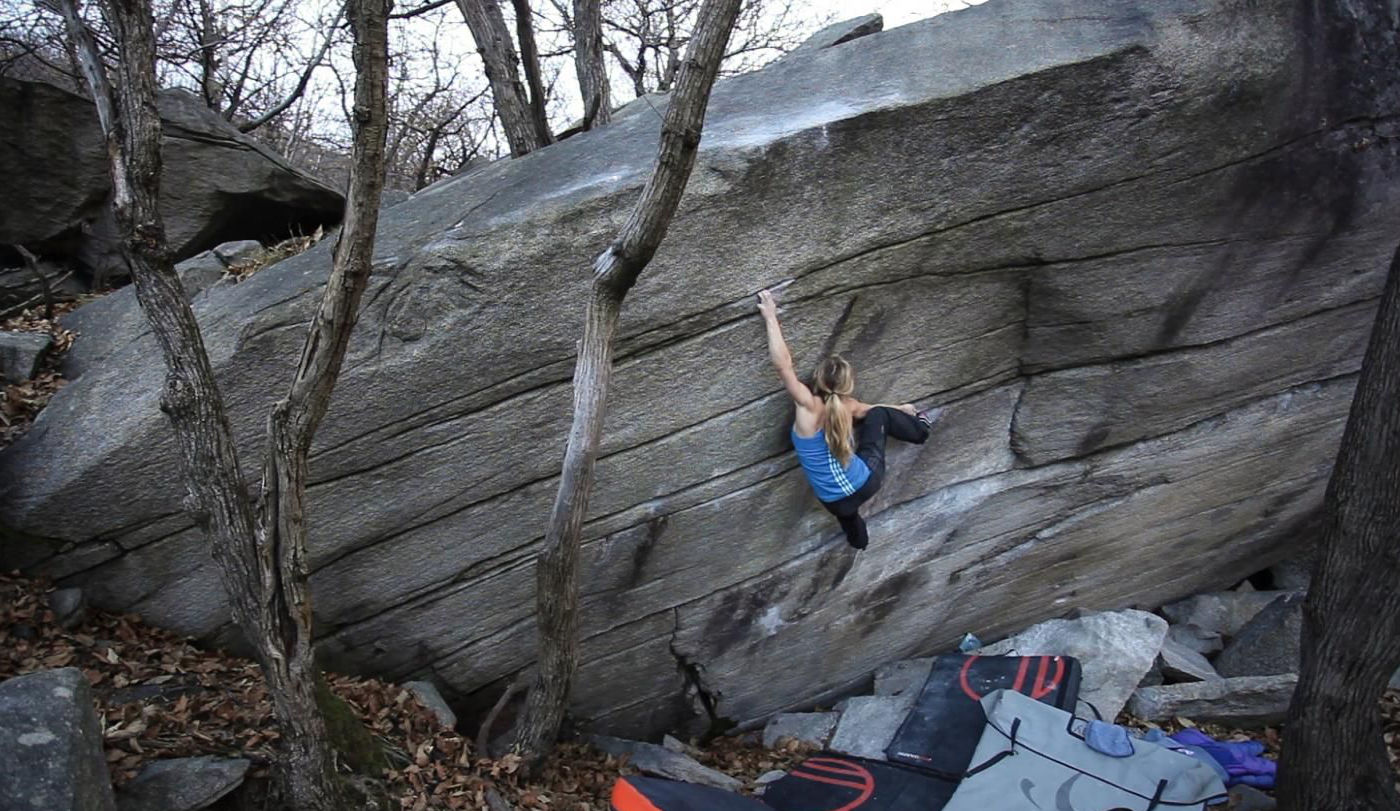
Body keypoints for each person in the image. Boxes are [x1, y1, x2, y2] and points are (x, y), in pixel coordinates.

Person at [757, 288, 936, 549]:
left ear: (817, 379)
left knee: (847, 512)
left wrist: (770, 317)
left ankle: (858, 541)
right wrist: (901, 409)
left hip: (836, 503)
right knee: (880, 414)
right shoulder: (847, 406)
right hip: (866, 483)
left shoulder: (808, 406)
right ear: (847, 385)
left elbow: (783, 366)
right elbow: (875, 411)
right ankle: (921, 429)